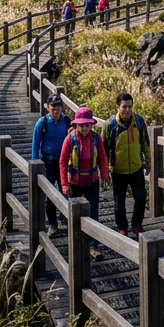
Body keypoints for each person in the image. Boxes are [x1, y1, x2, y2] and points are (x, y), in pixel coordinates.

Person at [60, 106, 111, 259]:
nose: (84, 128)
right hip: (74, 182)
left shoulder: (96, 138)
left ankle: (93, 246)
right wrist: (64, 183)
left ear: (91, 125)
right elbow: (62, 161)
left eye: (87, 125)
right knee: (74, 214)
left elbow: (102, 158)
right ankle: (76, 244)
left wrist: (105, 175)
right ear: (76, 125)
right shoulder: (70, 138)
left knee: (93, 213)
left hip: (92, 182)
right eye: (81, 125)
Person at [104, 93, 150, 236]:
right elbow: (103, 148)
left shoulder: (139, 121)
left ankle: (136, 225)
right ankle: (122, 227)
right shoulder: (110, 124)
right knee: (119, 202)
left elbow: (145, 143)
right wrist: (105, 169)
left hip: (136, 168)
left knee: (141, 197)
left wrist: (147, 162)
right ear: (117, 107)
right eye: (124, 107)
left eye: (130, 106)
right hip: (118, 170)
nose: (127, 110)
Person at [31, 94, 70, 236]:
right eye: (53, 107)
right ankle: (53, 224)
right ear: (48, 108)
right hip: (47, 162)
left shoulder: (66, 121)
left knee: (66, 191)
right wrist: (35, 163)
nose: (56, 110)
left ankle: (65, 219)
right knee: (49, 194)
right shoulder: (42, 123)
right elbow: (35, 143)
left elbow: (72, 139)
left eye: (58, 107)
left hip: (63, 163)